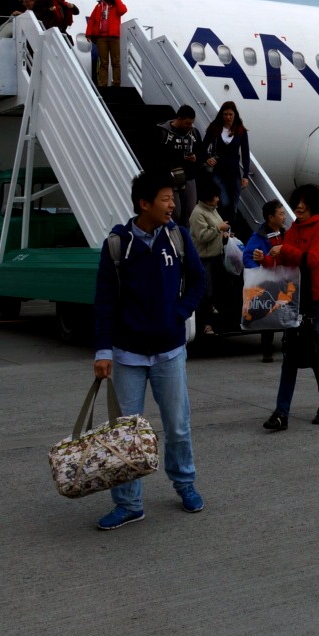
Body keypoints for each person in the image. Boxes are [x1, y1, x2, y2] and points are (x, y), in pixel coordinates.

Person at [91, 171, 208, 530]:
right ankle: (128, 503)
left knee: (177, 426)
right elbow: (105, 302)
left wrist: (179, 312)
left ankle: (185, 484)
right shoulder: (117, 245)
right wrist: (102, 351)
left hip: (169, 352)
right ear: (144, 204)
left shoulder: (177, 237)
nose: (173, 204)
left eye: (173, 199)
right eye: (166, 199)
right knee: (126, 433)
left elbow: (199, 280)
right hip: (127, 355)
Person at [260, 185, 319, 431]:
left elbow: (311, 260)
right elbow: (282, 261)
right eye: (296, 202)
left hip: (317, 302)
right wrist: (266, 259)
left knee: (315, 356)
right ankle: (281, 413)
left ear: (314, 205)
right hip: (295, 300)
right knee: (289, 359)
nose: (299, 206)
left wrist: (286, 250)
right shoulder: (293, 230)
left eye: (304, 202)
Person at [241, 200, 288, 363]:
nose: (284, 217)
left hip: (284, 282)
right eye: (281, 214)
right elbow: (247, 257)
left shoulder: (285, 234)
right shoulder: (258, 237)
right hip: (268, 284)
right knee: (268, 315)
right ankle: (267, 350)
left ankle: (286, 346)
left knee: (286, 312)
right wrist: (260, 273)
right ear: (270, 217)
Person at [187, 180, 230, 336]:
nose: (218, 199)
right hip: (204, 258)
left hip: (216, 256)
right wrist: (219, 228)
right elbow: (202, 236)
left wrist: (224, 233)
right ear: (208, 197)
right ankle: (206, 324)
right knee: (206, 292)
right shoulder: (198, 213)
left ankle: (214, 321)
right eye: (215, 196)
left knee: (216, 290)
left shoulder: (212, 210)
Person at [202, 102, 252, 223]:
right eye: (225, 114)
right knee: (224, 202)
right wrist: (207, 158)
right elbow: (202, 147)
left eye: (230, 114)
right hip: (218, 171)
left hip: (234, 173)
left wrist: (246, 175)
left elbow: (245, 153)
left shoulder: (240, 130)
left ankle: (230, 233)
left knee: (234, 206)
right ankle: (222, 230)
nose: (228, 117)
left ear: (235, 115)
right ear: (221, 115)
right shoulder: (215, 129)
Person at [157, 105, 204, 226]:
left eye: (191, 123)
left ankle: (185, 238)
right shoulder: (163, 131)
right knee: (175, 212)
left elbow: (201, 153)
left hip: (189, 176)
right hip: (170, 177)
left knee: (190, 211)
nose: (189, 126)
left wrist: (195, 158)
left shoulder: (194, 133)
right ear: (179, 119)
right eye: (187, 123)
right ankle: (172, 236)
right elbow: (155, 154)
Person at [86, 0, 127, 87]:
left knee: (115, 61)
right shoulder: (99, 6)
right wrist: (89, 33)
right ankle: (103, 83)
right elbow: (92, 19)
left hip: (114, 37)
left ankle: (116, 83)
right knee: (103, 62)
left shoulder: (117, 6)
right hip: (102, 37)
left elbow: (123, 11)